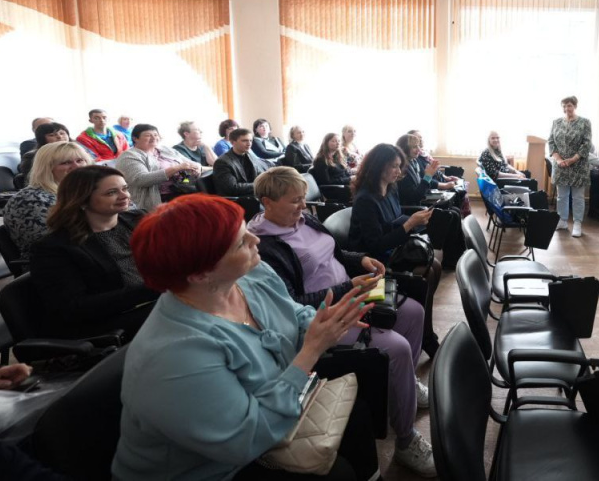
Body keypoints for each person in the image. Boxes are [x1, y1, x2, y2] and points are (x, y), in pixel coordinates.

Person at [113, 194, 379, 481]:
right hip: (212, 469)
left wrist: (320, 322)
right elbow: (247, 440)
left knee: (360, 410)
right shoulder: (176, 354)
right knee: (339, 473)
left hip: (260, 418)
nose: (256, 240)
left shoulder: (252, 274)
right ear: (201, 275)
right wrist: (311, 349)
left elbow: (293, 312)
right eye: (241, 242)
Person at [249, 168, 436, 476]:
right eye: (294, 201)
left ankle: (403, 385)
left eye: (302, 199)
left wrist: (359, 259)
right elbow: (291, 303)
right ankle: (406, 441)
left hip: (352, 289)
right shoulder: (264, 247)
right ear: (267, 202)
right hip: (323, 313)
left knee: (413, 312)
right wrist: (348, 288)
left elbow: (335, 253)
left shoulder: (303, 219)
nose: (302, 207)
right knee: (397, 348)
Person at [30, 166, 158, 339]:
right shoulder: (54, 247)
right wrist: (152, 288)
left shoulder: (137, 219)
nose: (125, 196)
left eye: (125, 188)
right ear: (82, 200)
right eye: (111, 192)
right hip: (106, 323)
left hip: (150, 302)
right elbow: (73, 308)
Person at [349, 144, 441, 358]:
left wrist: (413, 221)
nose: (399, 172)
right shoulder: (365, 199)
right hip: (374, 262)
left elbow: (393, 222)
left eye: (400, 166)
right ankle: (426, 337)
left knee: (434, 266)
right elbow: (375, 245)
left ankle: (423, 329)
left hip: (392, 249)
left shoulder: (391, 189)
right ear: (378, 167)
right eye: (394, 166)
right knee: (423, 279)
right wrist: (408, 225)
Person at [4, 142, 92, 257]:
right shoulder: (30, 201)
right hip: (57, 264)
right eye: (65, 163)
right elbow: (53, 246)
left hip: (88, 254)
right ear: (46, 168)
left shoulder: (79, 190)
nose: (77, 167)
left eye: (80, 160)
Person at [396, 134, 464, 269]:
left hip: (420, 204)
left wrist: (432, 179)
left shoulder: (414, 163)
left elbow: (425, 182)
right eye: (414, 147)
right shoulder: (403, 169)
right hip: (411, 210)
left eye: (418, 146)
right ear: (405, 148)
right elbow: (414, 196)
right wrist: (427, 176)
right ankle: (450, 261)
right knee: (451, 216)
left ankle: (459, 255)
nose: (418, 150)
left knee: (455, 211)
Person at [117, 124, 202, 212]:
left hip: (183, 188)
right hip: (159, 198)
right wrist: (176, 168)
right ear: (135, 138)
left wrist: (197, 167)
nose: (154, 138)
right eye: (148, 135)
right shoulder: (129, 156)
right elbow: (141, 179)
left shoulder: (165, 149)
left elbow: (190, 162)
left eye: (156, 135)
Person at [548, 95, 592, 237]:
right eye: (565, 106)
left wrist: (572, 159)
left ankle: (577, 223)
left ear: (575, 106)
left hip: (578, 165)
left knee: (578, 197)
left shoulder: (585, 122)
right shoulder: (556, 122)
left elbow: (586, 144)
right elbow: (551, 142)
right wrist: (559, 159)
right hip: (560, 165)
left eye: (570, 106)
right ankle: (562, 220)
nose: (567, 109)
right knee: (562, 196)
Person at [212, 128, 268, 197]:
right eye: (244, 141)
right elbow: (232, 188)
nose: (249, 144)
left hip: (252, 194)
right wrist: (260, 185)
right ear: (232, 142)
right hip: (239, 200)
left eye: (250, 140)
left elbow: (259, 174)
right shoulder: (222, 162)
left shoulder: (249, 155)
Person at [15, 121, 70, 188]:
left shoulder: (77, 152)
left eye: (62, 133)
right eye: (52, 135)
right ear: (42, 139)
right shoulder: (31, 157)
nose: (59, 137)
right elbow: (36, 180)